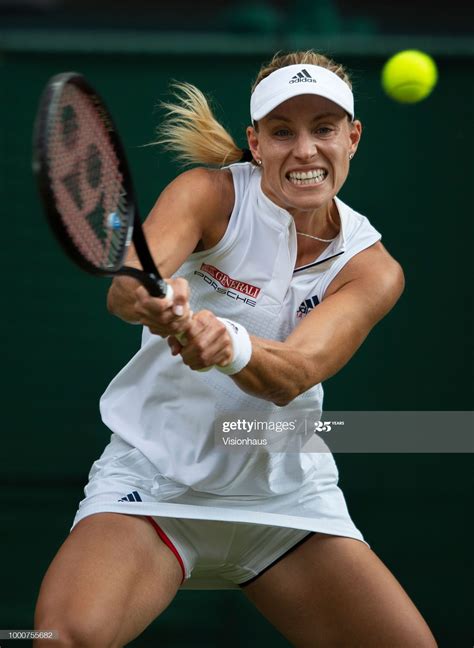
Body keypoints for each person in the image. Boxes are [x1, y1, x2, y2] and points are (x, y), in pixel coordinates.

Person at [34, 51, 437, 647]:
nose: (304, 150)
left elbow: (295, 373)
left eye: (323, 129)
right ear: (255, 141)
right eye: (282, 132)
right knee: (58, 642)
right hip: (156, 483)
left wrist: (229, 344)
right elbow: (125, 286)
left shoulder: (372, 268)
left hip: (288, 496)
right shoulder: (208, 194)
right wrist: (153, 298)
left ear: (352, 137)